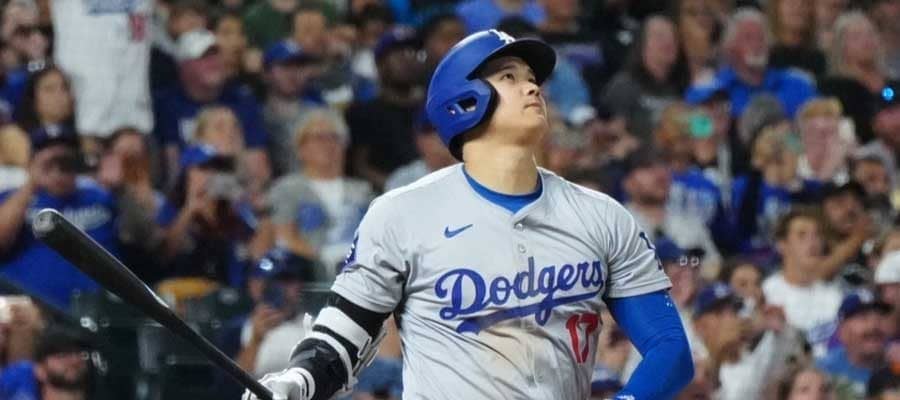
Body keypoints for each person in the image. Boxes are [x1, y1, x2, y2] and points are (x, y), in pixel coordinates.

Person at [244, 29, 693, 400]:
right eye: (509, 76)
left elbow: (670, 348)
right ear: (462, 101)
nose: (533, 87)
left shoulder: (603, 216)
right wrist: (297, 381)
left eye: (532, 78)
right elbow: (342, 336)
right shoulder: (402, 213)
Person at [0, 127, 117, 309]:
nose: (58, 167)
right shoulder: (12, 198)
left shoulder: (101, 196)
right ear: (31, 162)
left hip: (97, 312)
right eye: (48, 161)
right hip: (27, 312)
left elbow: (145, 242)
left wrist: (121, 187)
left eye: (65, 161)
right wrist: (32, 184)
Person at [153, 28, 270, 188]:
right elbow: (172, 170)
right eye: (203, 57)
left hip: (238, 187)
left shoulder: (241, 100)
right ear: (183, 66)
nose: (214, 62)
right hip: (188, 188)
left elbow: (258, 169)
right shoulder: (166, 104)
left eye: (216, 54)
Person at [267, 109, 374, 280]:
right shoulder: (287, 189)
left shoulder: (362, 191)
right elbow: (283, 236)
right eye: (319, 138)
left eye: (334, 137)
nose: (328, 144)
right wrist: (323, 258)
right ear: (300, 148)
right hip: (308, 276)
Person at [684, 8, 817, 119]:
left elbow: (821, 119)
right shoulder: (709, 89)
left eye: (761, 38)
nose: (757, 44)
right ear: (730, 48)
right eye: (748, 38)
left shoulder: (798, 85)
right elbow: (694, 131)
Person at [345, 27, 425, 190]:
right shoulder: (363, 113)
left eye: (414, 53)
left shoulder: (431, 108)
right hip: (383, 194)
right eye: (399, 54)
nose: (408, 60)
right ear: (380, 64)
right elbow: (358, 166)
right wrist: (398, 189)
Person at [762, 208, 845, 356]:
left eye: (817, 235)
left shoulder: (835, 295)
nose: (813, 243)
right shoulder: (766, 292)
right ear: (782, 245)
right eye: (802, 235)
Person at [601, 15, 688, 141]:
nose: (669, 42)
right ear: (642, 44)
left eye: (673, 37)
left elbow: (701, 128)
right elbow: (612, 135)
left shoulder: (684, 86)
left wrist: (704, 125)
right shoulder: (624, 86)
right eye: (659, 36)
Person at [817, 290, 892, 398]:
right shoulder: (823, 371)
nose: (874, 326)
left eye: (880, 318)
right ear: (842, 330)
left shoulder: (896, 365)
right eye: (863, 318)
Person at [0, 325, 95, 400]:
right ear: (40, 370)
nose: (75, 360)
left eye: (79, 353)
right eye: (62, 355)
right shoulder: (19, 376)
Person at [384, 115, 457, 191]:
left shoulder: (465, 169)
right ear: (418, 140)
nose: (439, 135)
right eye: (430, 130)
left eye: (446, 128)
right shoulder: (403, 181)